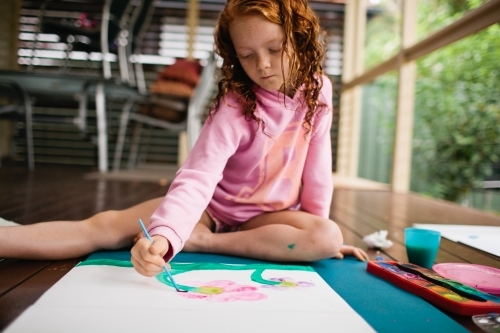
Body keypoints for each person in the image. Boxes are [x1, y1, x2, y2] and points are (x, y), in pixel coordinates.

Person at [0, 0, 369, 272]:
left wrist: (318, 229)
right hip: (211, 208)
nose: (264, 65)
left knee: (327, 237)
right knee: (102, 228)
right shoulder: (235, 105)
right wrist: (164, 236)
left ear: (300, 38)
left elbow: (317, 168)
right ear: (234, 57)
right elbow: (198, 177)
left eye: (274, 49)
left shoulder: (318, 91)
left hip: (269, 219)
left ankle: (206, 243)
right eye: (247, 55)